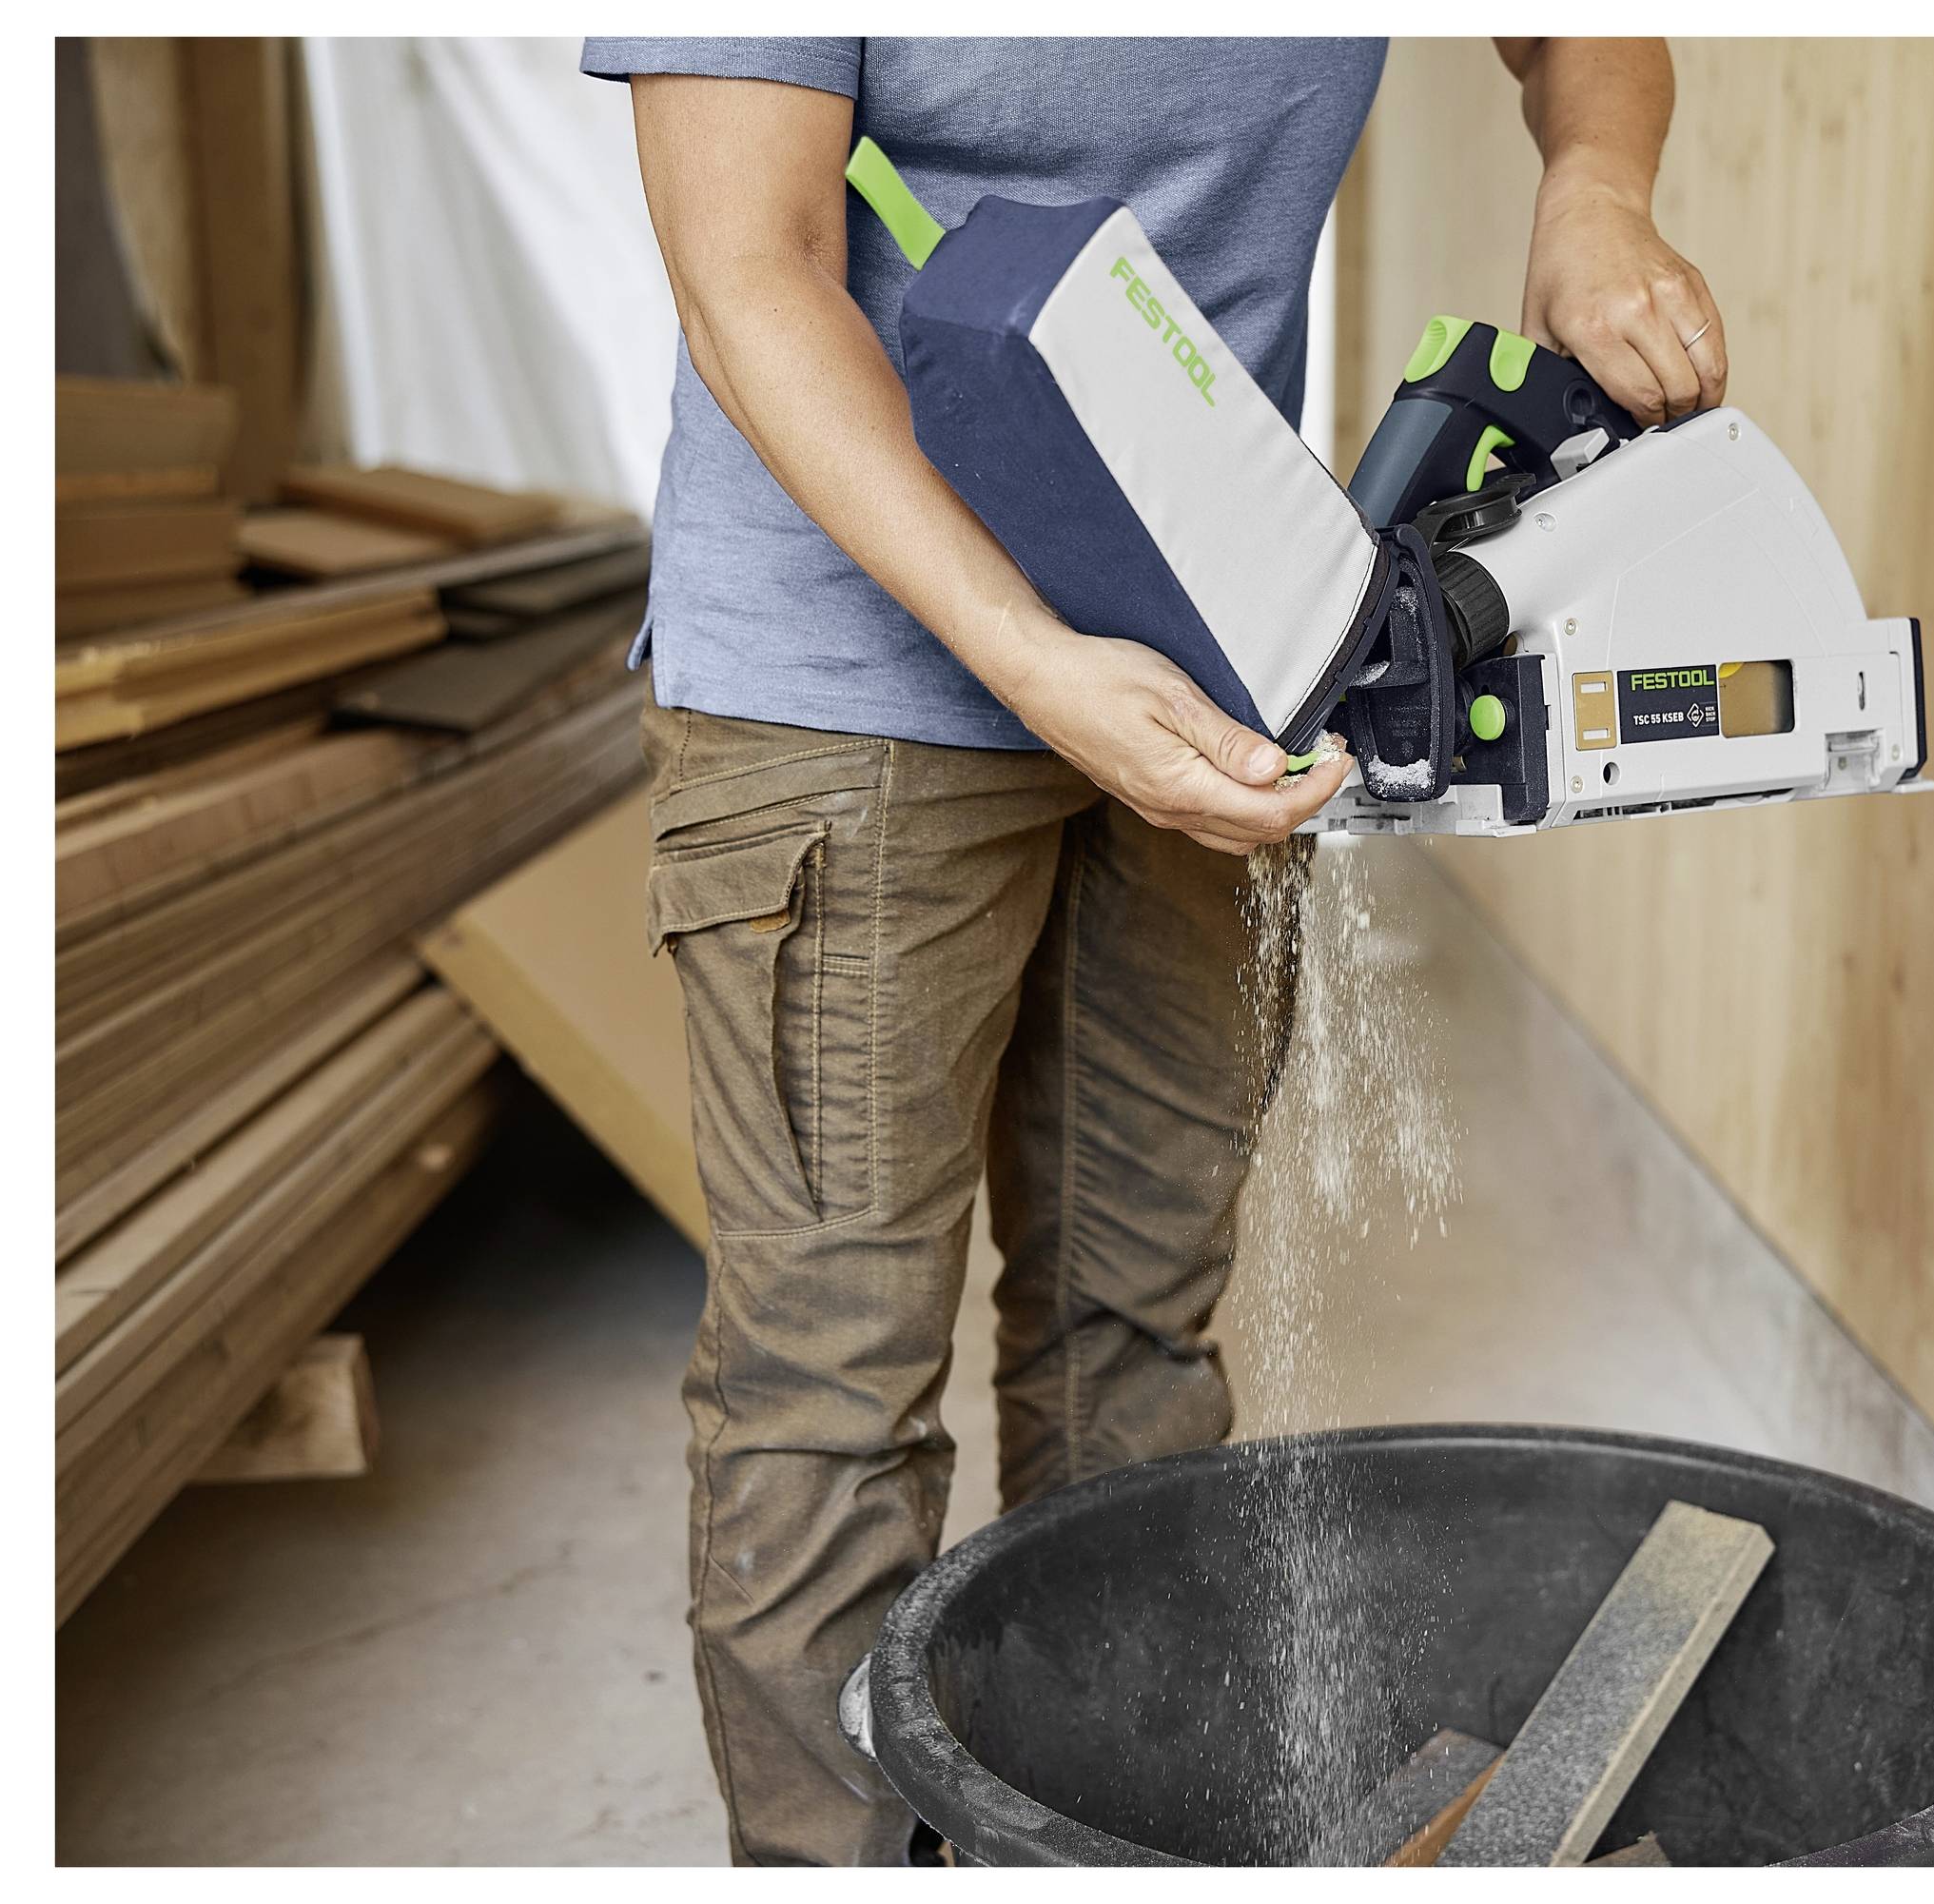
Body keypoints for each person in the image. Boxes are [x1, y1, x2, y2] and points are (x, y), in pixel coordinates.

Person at [583, 34, 1729, 1865]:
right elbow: (749, 270)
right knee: (835, 1379)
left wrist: (1593, 186)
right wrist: (1036, 665)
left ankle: (1098, 1834)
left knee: (1130, 1332)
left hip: (1206, 638)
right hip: (847, 667)